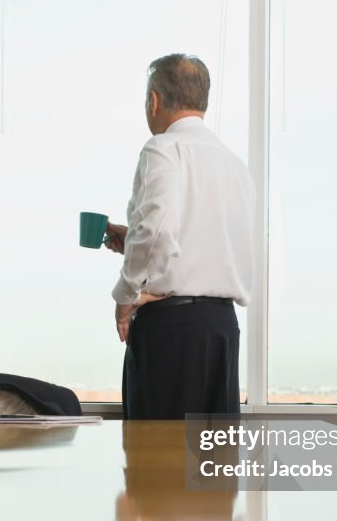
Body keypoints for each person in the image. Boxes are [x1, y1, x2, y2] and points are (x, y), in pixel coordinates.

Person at [105, 54, 256, 419]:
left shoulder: (163, 148)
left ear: (153, 100)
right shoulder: (235, 165)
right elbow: (209, 242)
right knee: (211, 466)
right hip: (221, 328)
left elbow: (156, 228)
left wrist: (126, 294)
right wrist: (138, 239)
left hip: (170, 331)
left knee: (158, 466)